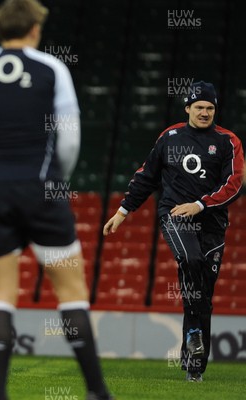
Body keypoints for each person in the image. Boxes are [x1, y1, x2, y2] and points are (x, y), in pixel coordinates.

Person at [0, 1, 113, 399]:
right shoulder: (52, 68)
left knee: (1, 294)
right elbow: (69, 138)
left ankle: (0, 394)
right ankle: (96, 391)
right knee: (71, 291)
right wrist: (57, 182)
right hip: (42, 189)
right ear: (35, 29)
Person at [104, 81, 243, 382]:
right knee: (191, 260)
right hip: (175, 215)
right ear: (187, 108)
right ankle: (193, 336)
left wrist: (201, 205)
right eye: (199, 107)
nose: (205, 112)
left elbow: (233, 185)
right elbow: (147, 176)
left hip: (213, 225)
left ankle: (195, 368)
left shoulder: (227, 141)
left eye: (210, 108)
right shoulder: (170, 137)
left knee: (203, 293)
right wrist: (123, 212)